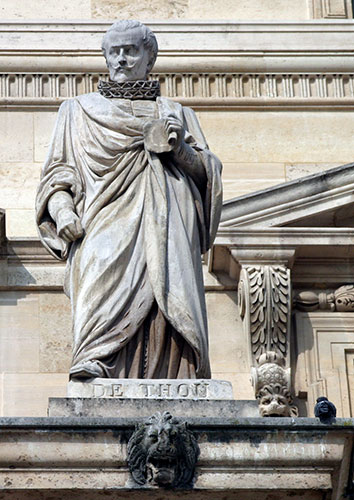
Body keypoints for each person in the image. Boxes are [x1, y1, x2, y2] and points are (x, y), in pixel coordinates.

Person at [36, 20, 223, 381]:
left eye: (130, 51)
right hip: (103, 220)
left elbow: (207, 176)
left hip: (170, 223)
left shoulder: (178, 113)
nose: (121, 59)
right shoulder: (77, 110)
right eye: (114, 52)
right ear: (105, 57)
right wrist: (61, 212)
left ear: (149, 57)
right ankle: (97, 358)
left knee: (168, 295)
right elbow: (58, 174)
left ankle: (175, 374)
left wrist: (179, 148)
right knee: (100, 282)